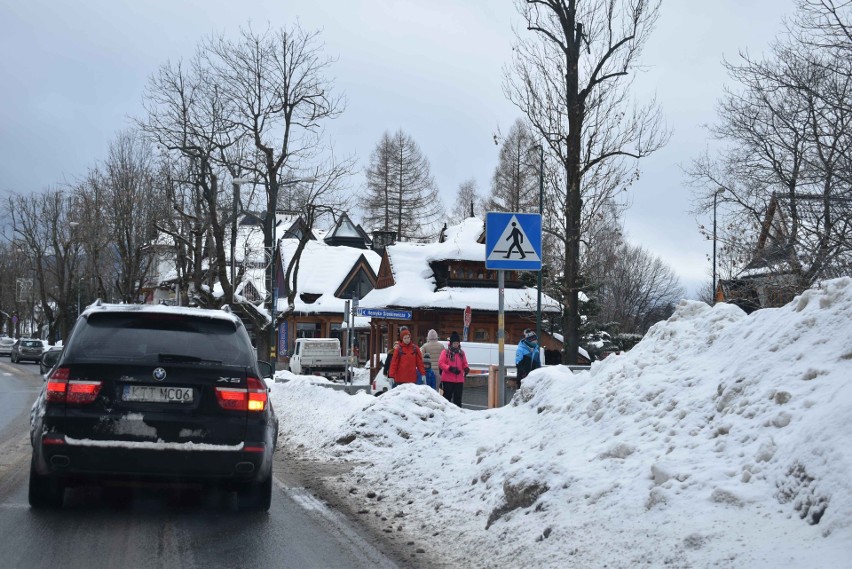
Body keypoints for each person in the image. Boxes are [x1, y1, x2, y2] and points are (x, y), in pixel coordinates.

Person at [439, 331, 469, 406]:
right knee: (447, 398)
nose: (456, 345)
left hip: (459, 379)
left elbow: (464, 363)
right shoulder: (445, 352)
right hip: (447, 379)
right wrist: (450, 368)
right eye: (454, 343)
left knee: (458, 399)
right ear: (451, 343)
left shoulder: (461, 353)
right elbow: (441, 363)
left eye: (457, 343)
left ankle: (458, 414)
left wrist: (466, 368)